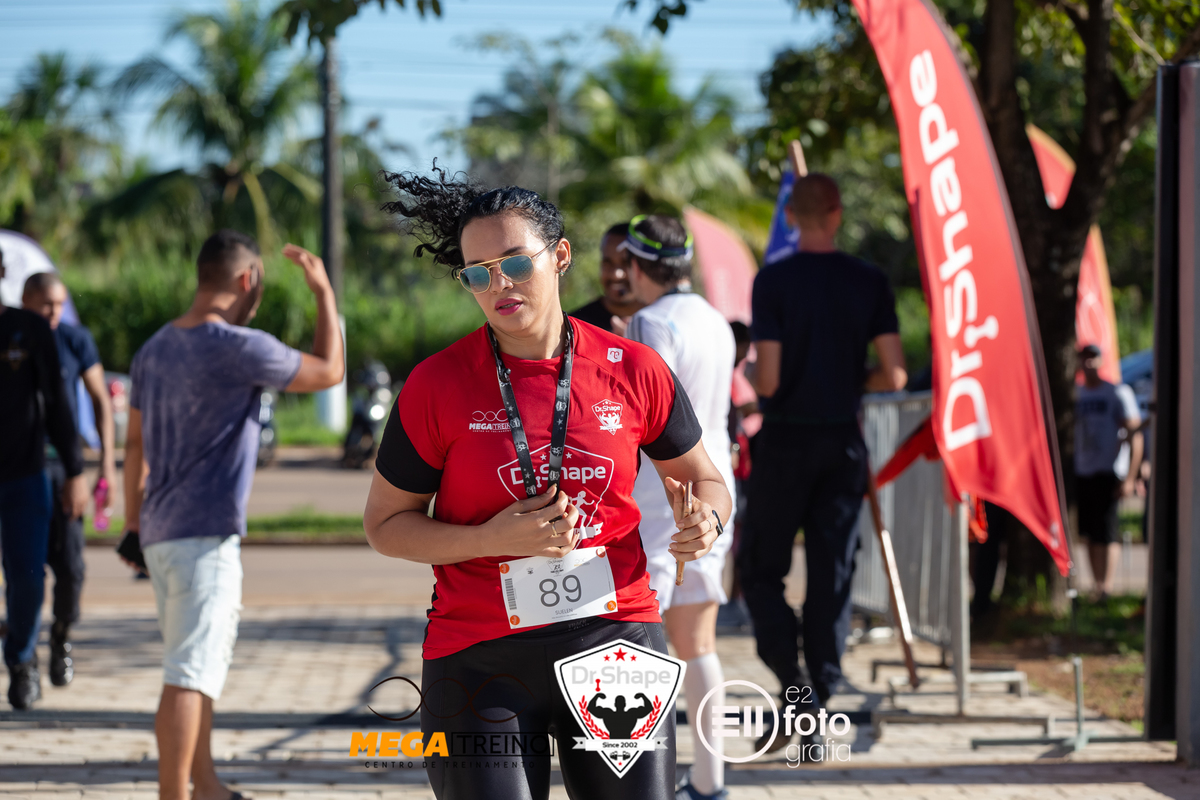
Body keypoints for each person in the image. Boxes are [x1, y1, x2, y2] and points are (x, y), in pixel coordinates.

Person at [364, 167, 731, 800]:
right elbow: (385, 525)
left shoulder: (633, 368)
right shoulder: (437, 384)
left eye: (514, 262)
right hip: (479, 658)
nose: (498, 284)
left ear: (559, 257)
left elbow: (704, 480)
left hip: (614, 642)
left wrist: (708, 520)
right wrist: (490, 538)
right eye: (477, 273)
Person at [123, 231, 343, 800]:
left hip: (161, 533)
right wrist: (323, 293)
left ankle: (207, 783)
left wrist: (130, 526)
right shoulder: (237, 346)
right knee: (189, 676)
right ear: (248, 281)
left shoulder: (153, 348)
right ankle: (174, 794)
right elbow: (327, 371)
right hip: (205, 537)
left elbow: (135, 448)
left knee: (195, 665)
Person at [739, 173, 906, 753]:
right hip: (842, 442)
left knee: (761, 568)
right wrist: (850, 379)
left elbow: (771, 377)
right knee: (832, 571)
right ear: (836, 214)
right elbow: (895, 374)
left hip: (785, 441)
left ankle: (793, 681)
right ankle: (823, 690)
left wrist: (751, 379)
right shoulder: (869, 280)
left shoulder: (775, 280)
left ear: (790, 218)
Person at [622, 214, 736, 800]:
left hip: (661, 495)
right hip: (717, 488)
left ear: (639, 269)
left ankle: (648, 783)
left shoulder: (651, 321)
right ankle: (710, 780)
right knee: (699, 644)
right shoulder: (715, 320)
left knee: (643, 646)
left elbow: (645, 415)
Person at [0, 248, 88, 710]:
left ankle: (21, 662)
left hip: (24, 477)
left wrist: (76, 472)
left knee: (29, 578)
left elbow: (58, 405)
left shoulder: (28, 331)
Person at [22, 271, 116, 687]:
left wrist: (106, 465)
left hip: (65, 466)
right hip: (19, 465)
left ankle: (61, 634)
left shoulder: (74, 339)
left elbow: (100, 400)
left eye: (60, 304)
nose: (54, 313)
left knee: (72, 565)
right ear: (25, 302)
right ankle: (23, 654)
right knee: (24, 566)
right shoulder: (13, 338)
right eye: (45, 304)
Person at [1075, 343, 1142, 600]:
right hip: (1084, 471)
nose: (1088, 363)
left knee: (1107, 530)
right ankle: (1096, 585)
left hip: (1109, 470)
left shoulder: (1116, 393)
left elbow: (1134, 434)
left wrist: (1130, 476)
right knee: (1090, 532)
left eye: (1093, 358)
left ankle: (1107, 586)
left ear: (1101, 361)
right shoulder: (1077, 394)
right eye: (1084, 358)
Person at [569, 221, 643, 334]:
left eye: (626, 264)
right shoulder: (575, 327)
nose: (616, 275)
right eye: (608, 263)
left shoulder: (664, 320)